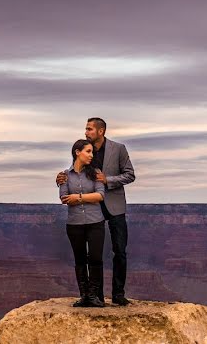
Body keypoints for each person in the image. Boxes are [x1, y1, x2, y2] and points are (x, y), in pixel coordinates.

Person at [57, 117, 135, 306]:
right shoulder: (85, 149)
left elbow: (130, 175)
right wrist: (61, 177)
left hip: (114, 205)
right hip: (91, 208)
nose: (86, 132)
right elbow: (75, 171)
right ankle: (96, 296)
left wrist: (107, 180)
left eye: (90, 129)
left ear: (101, 131)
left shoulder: (118, 149)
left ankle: (118, 294)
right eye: (86, 129)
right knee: (94, 254)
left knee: (119, 251)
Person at [60, 139, 107, 308]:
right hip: (74, 225)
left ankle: (94, 296)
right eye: (88, 151)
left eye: (92, 152)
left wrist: (78, 198)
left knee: (95, 259)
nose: (91, 155)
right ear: (77, 152)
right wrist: (87, 197)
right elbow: (64, 198)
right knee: (80, 260)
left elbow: (100, 195)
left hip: (96, 222)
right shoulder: (65, 175)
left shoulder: (96, 172)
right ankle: (84, 296)